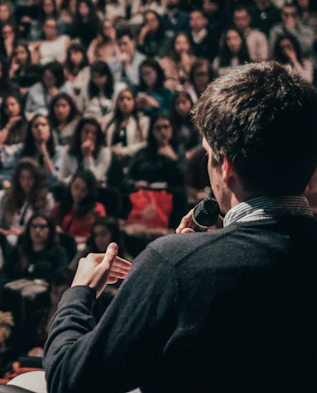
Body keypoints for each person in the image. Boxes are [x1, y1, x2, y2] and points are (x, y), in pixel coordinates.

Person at [44, 62, 317, 393]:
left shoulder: (173, 263)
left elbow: (69, 380)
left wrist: (79, 292)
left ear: (226, 166)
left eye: (208, 154)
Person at [0, 158, 54, 240]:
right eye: (22, 178)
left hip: (33, 239)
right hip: (8, 236)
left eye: (30, 178)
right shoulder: (8, 196)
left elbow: (48, 226)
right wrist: (7, 233)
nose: (26, 182)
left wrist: (23, 232)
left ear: (36, 179)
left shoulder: (46, 198)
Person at [5, 214, 69, 282]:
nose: (37, 230)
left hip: (44, 287)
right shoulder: (18, 250)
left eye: (42, 227)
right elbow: (4, 273)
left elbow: (61, 276)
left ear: (50, 230)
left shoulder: (58, 253)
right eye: (34, 226)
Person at [51, 169, 107, 241]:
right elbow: (51, 225)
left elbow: (101, 234)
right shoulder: (60, 206)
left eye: (83, 190)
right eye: (76, 187)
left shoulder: (97, 209)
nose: (78, 193)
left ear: (89, 192)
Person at [58, 118, 112, 185]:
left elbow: (94, 179)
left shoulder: (104, 152)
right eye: (86, 132)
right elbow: (61, 179)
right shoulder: (68, 151)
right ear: (80, 133)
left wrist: (87, 156)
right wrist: (74, 180)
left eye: (94, 133)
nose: (89, 136)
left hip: (96, 188)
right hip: (71, 187)